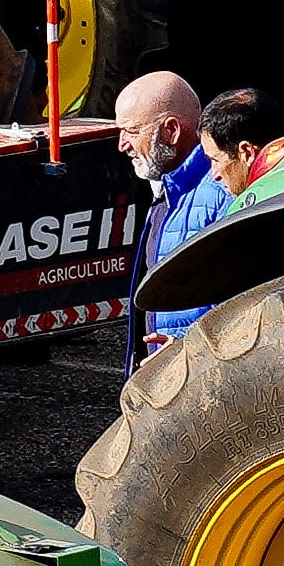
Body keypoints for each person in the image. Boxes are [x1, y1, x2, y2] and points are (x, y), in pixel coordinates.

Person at [117, 70, 217, 363]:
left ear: (171, 131)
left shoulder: (220, 192)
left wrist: (192, 349)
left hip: (199, 379)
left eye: (131, 131)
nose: (122, 144)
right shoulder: (168, 192)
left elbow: (245, 300)